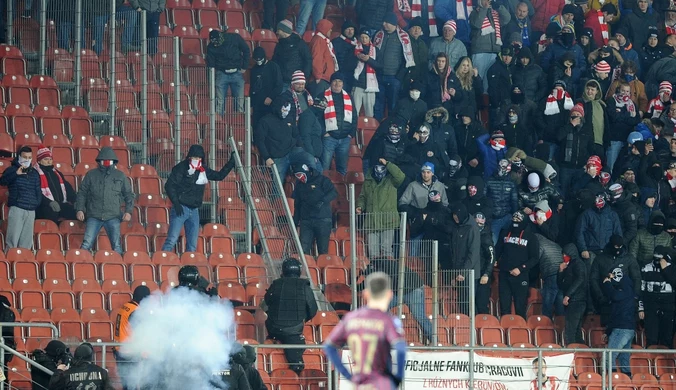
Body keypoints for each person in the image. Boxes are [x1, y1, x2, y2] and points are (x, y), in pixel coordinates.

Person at [323, 272, 407, 388]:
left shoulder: (350, 318)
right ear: (390, 294)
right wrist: (398, 377)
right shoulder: (388, 321)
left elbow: (329, 346)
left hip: (360, 384)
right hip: (381, 383)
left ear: (365, 294)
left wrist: (347, 375)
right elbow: (401, 348)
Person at [162, 145, 235, 252]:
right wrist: (176, 203)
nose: (197, 160)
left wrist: (231, 163)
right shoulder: (181, 168)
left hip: (194, 210)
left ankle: (189, 265)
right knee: (171, 240)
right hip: (181, 208)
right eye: (195, 158)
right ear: (189, 157)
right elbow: (169, 186)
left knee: (192, 244)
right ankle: (163, 262)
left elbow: (219, 176)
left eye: (199, 158)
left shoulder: (203, 169)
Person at [75, 147, 134, 254]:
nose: (106, 163)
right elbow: (82, 193)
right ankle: (79, 267)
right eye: (104, 161)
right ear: (99, 161)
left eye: (109, 161)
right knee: (86, 244)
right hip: (94, 215)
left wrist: (128, 211)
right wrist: (80, 209)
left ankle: (120, 269)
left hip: (113, 216)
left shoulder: (120, 175)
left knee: (116, 246)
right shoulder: (91, 175)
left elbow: (129, 195)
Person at [264, 258, 318, 373]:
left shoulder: (276, 284)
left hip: (273, 329)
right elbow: (313, 309)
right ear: (299, 270)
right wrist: (301, 319)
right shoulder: (304, 286)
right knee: (296, 361)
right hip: (293, 332)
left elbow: (267, 302)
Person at [360, 259, 433, 342]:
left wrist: (359, 284)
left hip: (413, 289)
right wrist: (355, 287)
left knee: (419, 316)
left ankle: (434, 341)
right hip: (401, 291)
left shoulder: (382, 268)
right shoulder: (380, 266)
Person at [357, 159, 406, 258]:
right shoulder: (368, 181)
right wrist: (360, 206)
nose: (379, 170)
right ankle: (375, 272)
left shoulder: (391, 180)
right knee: (372, 252)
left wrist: (388, 163)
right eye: (377, 167)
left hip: (388, 221)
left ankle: (388, 272)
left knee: (386, 251)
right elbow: (362, 197)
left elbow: (400, 176)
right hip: (371, 221)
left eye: (382, 168)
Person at [373, 12, 416, 120]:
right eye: (383, 22)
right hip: (378, 76)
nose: (384, 24)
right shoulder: (378, 35)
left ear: (393, 23)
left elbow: (407, 59)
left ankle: (392, 127)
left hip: (394, 77)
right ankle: (378, 128)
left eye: (387, 22)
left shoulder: (403, 36)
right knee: (378, 105)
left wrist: (398, 77)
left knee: (393, 105)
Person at [495, 211, 538, 318]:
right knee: (504, 307)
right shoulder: (504, 233)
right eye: (514, 219)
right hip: (505, 274)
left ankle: (520, 331)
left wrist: (520, 269)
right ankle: (505, 330)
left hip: (521, 276)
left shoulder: (531, 237)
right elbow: (497, 250)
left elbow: (535, 258)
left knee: (520, 307)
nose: (515, 222)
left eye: (518, 220)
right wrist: (494, 259)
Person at [0, 146, 41, 250]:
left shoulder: (34, 173)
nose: (27, 159)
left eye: (29, 157)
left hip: (31, 210)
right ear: (19, 157)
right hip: (17, 208)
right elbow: (3, 181)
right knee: (12, 241)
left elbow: (38, 190)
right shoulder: (11, 169)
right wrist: (16, 174)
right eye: (24, 157)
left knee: (26, 244)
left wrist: (36, 203)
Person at [292, 164, 337, 255]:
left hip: (323, 220)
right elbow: (297, 205)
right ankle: (306, 268)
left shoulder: (322, 180)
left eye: (300, 174)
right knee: (303, 250)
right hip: (306, 221)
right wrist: (295, 222)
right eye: (297, 175)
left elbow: (333, 193)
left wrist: (322, 201)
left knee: (323, 250)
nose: (300, 177)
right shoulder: (299, 185)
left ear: (307, 172)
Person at [469, 0, 511, 93]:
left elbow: (507, 18)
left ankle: (486, 104)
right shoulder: (475, 12)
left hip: (494, 51)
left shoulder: (495, 13)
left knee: (489, 83)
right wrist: (484, 9)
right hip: (479, 51)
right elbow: (476, 23)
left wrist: (499, 7)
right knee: (478, 79)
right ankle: (477, 103)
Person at [113, 285, 151, 390]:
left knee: (127, 383)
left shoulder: (126, 306)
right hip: (129, 353)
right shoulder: (136, 311)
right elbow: (139, 333)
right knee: (131, 384)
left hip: (120, 349)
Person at [639, 246, 676, 347]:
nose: (657, 261)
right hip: (651, 307)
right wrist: (640, 308)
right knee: (651, 339)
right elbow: (641, 290)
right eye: (655, 258)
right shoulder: (646, 268)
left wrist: (666, 270)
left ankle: (666, 361)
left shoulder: (673, 268)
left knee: (667, 339)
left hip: (668, 308)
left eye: (659, 258)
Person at [602, 269, 637, 375]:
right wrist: (608, 332)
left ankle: (611, 383)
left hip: (621, 329)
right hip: (628, 329)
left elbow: (614, 295)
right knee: (624, 359)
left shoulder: (624, 291)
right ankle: (626, 383)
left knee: (609, 356)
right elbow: (614, 314)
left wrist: (607, 284)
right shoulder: (628, 292)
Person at [206, 29, 250, 114]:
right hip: (221, 73)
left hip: (237, 72)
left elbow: (246, 50)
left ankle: (238, 124)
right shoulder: (210, 47)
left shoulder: (234, 38)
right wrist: (210, 81)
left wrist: (244, 66)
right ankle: (219, 125)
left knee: (239, 103)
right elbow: (210, 66)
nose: (216, 44)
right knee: (220, 103)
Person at [320, 73, 356, 175]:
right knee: (324, 168)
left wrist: (351, 134)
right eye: (335, 81)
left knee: (342, 169)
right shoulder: (322, 96)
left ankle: (342, 190)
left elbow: (354, 116)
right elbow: (317, 117)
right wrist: (324, 132)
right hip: (329, 138)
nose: (337, 83)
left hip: (345, 139)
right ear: (331, 83)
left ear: (343, 83)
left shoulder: (349, 97)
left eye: (340, 81)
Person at [449, 203, 481, 315]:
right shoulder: (457, 227)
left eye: (457, 215)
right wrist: (455, 274)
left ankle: (473, 328)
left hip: (469, 274)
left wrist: (463, 272)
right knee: (462, 302)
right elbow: (454, 253)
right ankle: (466, 327)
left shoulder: (472, 228)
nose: (455, 217)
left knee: (468, 303)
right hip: (459, 273)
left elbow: (473, 254)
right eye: (454, 215)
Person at [33, 145, 77, 223]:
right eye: (46, 159)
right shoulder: (34, 173)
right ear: (39, 161)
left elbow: (67, 188)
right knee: (50, 212)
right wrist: (49, 202)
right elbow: (35, 192)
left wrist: (76, 201)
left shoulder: (57, 173)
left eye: (50, 159)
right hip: (43, 206)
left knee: (77, 212)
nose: (49, 161)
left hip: (60, 204)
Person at [49, 342, 113, 390]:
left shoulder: (67, 374)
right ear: (91, 357)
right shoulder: (102, 372)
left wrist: (59, 371)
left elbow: (53, 387)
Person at [558, 244, 588, 346]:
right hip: (573, 301)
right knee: (576, 333)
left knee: (571, 332)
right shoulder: (568, 265)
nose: (564, 256)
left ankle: (575, 355)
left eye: (565, 254)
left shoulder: (578, 264)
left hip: (577, 301)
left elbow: (580, 279)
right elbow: (560, 284)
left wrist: (568, 295)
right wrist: (561, 271)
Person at [485, 159, 519, 243]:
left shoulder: (511, 183)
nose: (501, 169)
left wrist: (516, 216)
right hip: (494, 218)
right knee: (492, 242)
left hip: (508, 216)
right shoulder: (489, 181)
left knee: (513, 240)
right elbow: (484, 198)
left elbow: (514, 201)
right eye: (500, 166)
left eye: (503, 167)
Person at [250, 47, 283, 128]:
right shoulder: (254, 69)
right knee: (257, 126)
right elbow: (252, 88)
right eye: (256, 60)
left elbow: (279, 85)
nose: (258, 62)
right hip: (257, 104)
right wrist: (251, 105)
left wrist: (270, 97)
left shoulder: (273, 67)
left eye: (260, 59)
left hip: (271, 104)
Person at [272, 20, 312, 87]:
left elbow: (308, 59)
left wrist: (304, 76)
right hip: (283, 81)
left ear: (283, 30)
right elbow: (275, 61)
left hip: (297, 82)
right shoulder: (279, 45)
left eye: (278, 29)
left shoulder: (299, 43)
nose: (277, 32)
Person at [352, 28, 381, 117]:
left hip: (371, 86)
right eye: (362, 37)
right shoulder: (355, 49)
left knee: (369, 112)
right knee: (355, 112)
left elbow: (380, 66)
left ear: (370, 38)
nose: (364, 39)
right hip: (358, 84)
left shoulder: (375, 50)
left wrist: (369, 60)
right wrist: (357, 57)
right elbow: (349, 65)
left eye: (366, 37)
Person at [475, 212, 495, 314]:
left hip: (482, 275)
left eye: (480, 224)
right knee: (470, 305)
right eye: (476, 223)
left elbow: (491, 257)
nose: (479, 226)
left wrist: (486, 274)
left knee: (481, 304)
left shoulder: (486, 237)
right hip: (472, 274)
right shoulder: (469, 234)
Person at [0, 296, 14, 382]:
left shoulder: (6, 312)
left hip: (4, 344)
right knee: (2, 371)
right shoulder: (9, 312)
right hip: (5, 345)